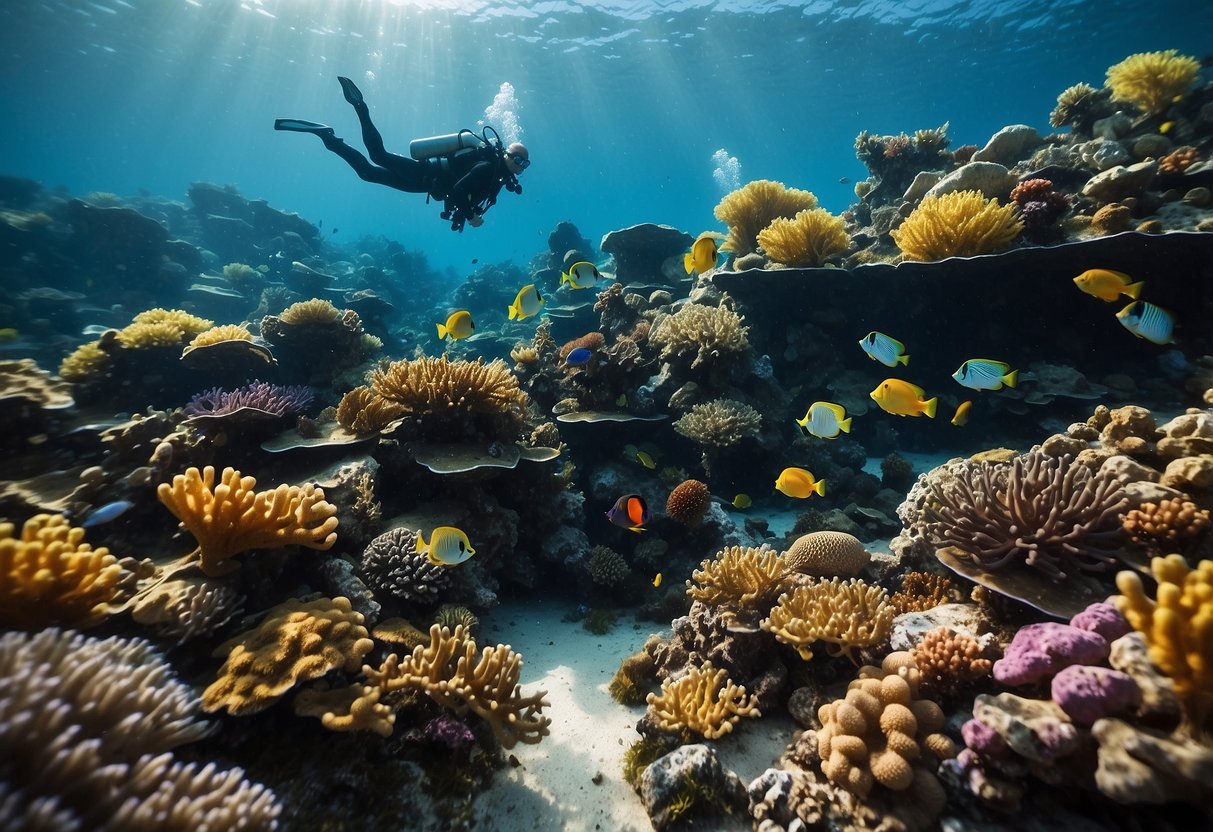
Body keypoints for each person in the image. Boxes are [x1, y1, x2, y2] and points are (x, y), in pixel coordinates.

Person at [275, 76, 529, 232]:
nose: (519, 166)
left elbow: (461, 194)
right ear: (506, 154)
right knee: (379, 156)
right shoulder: (487, 167)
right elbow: (461, 190)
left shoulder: (498, 176)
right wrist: (472, 216)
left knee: (368, 172)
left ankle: (328, 137)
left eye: (524, 164)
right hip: (426, 174)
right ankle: (360, 106)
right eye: (517, 159)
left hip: (425, 184)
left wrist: (463, 215)